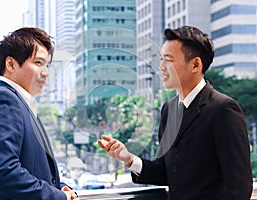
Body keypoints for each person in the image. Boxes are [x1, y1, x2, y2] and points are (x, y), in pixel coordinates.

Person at [98, 25, 253, 199]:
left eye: (168, 60)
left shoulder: (223, 110)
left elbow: (239, 187)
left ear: (195, 64)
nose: (161, 67)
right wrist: (129, 159)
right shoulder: (169, 109)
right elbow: (169, 171)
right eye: (161, 59)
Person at [0, 27, 79, 200]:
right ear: (11, 64)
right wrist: (58, 197)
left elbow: (32, 168)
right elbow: (3, 171)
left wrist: (61, 188)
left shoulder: (21, 103)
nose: (45, 73)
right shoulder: (2, 101)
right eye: (38, 63)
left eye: (47, 65)